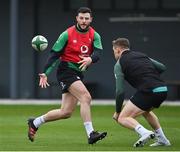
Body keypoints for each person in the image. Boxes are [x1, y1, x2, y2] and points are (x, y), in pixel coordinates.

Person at [27, 7, 107, 144]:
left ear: (91, 19)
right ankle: (91, 134)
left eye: (86, 18)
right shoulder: (67, 34)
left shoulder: (95, 35)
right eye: (81, 18)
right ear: (77, 18)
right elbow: (54, 55)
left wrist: (91, 59)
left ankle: (35, 122)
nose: (83, 21)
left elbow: (98, 53)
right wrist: (45, 73)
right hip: (66, 71)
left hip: (78, 74)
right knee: (86, 97)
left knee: (66, 112)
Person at [112, 38, 171, 147]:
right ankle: (163, 140)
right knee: (145, 111)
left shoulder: (119, 64)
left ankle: (144, 132)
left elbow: (120, 91)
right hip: (162, 89)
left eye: (114, 51)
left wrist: (117, 111)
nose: (114, 54)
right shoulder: (141, 55)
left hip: (149, 91)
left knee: (122, 118)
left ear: (118, 50)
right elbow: (162, 67)